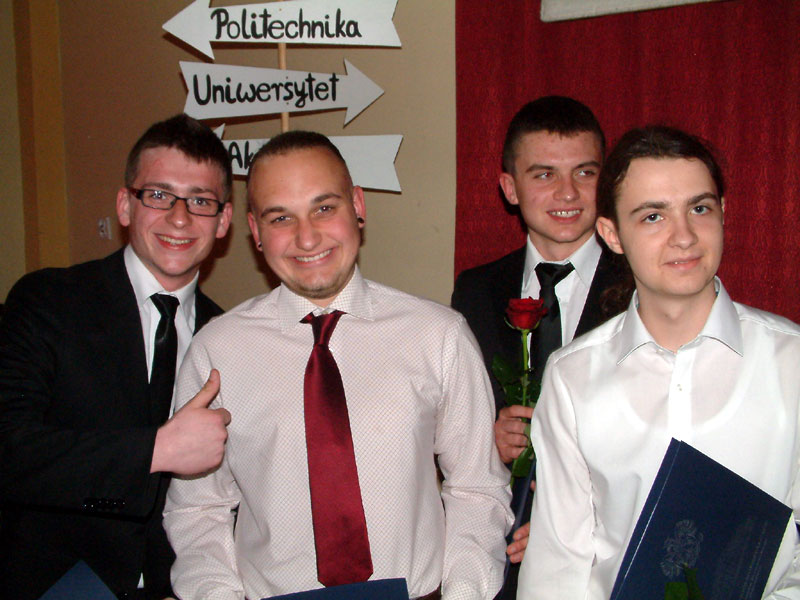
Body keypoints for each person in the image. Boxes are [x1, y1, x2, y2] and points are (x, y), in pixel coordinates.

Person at [163, 131, 512, 600]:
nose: (307, 237)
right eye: (280, 217)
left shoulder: (439, 337)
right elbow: (197, 511)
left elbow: (477, 489)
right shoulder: (216, 353)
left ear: (358, 206)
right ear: (255, 232)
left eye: (324, 208)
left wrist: (464, 593)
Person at [518, 126, 800, 598]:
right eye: (653, 216)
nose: (684, 236)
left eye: (699, 209)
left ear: (724, 213)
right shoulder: (573, 377)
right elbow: (559, 564)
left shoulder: (791, 362)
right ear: (612, 234)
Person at [0, 114, 234, 600]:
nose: (180, 218)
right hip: (55, 582)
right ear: (125, 205)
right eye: (159, 195)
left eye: (200, 201)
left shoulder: (230, 336)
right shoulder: (48, 301)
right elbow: (11, 450)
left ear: (224, 220)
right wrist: (156, 450)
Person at [451, 96, 629, 597]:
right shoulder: (476, 290)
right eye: (544, 174)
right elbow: (457, 423)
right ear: (510, 188)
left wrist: (575, 525)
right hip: (500, 557)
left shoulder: (640, 287)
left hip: (603, 561)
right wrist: (487, 440)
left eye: (585, 173)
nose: (567, 192)